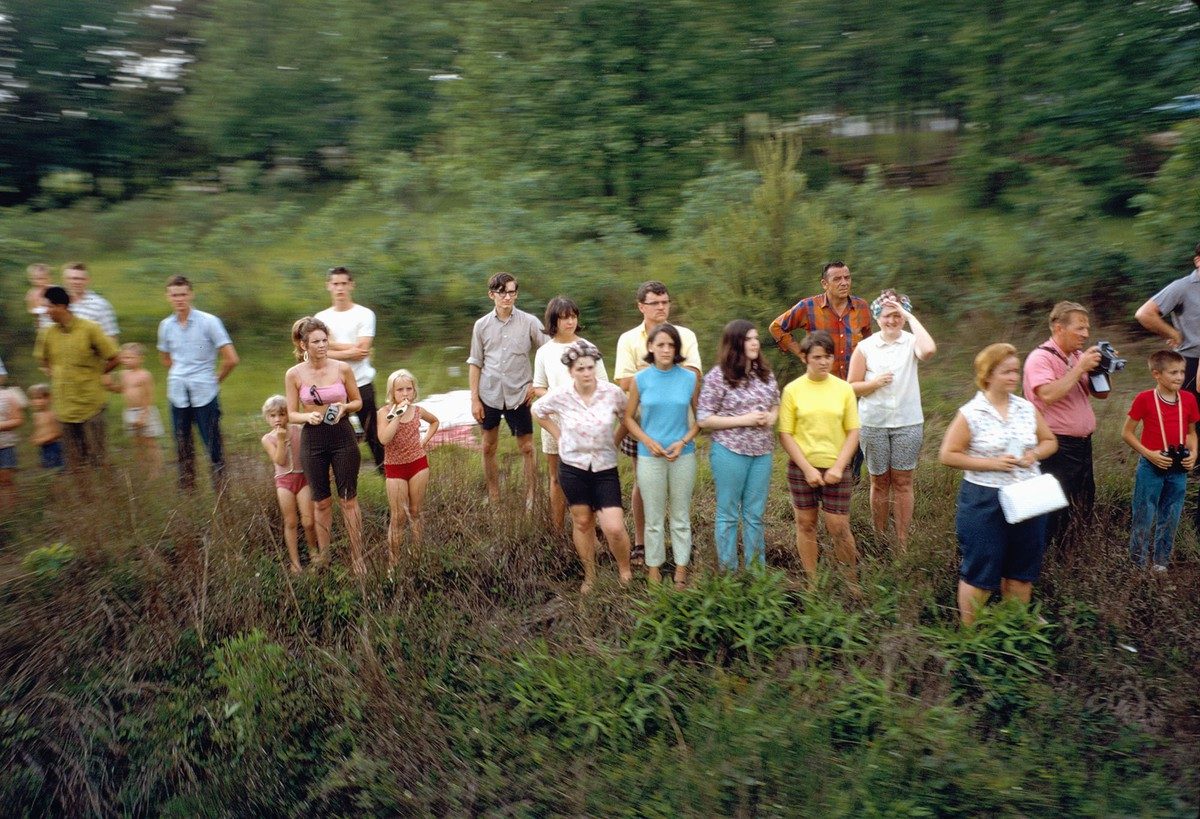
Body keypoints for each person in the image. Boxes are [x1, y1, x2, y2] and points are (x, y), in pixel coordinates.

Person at [939, 343, 1058, 626]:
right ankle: (973, 636)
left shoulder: (1026, 408)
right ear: (988, 374)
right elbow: (947, 455)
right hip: (984, 499)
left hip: (1028, 495)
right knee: (981, 569)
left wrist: (1034, 455)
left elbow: (1050, 441)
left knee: (1021, 568)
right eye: (1006, 371)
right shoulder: (971, 413)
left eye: (1016, 371)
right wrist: (993, 464)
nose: (1013, 376)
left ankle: (1014, 626)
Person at [532, 341, 634, 592]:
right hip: (573, 467)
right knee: (582, 522)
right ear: (571, 371)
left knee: (614, 526)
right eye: (581, 369)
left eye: (590, 367)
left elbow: (627, 418)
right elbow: (538, 410)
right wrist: (559, 435)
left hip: (604, 468)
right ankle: (590, 575)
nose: (587, 373)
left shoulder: (612, 393)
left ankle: (625, 570)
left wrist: (615, 440)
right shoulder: (561, 394)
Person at [613, 281, 702, 566]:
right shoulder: (628, 339)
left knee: (678, 489)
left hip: (679, 420)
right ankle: (642, 543)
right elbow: (624, 381)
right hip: (640, 419)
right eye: (655, 303)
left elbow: (692, 373)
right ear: (641, 306)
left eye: (665, 302)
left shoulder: (685, 334)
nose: (662, 307)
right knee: (643, 481)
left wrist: (650, 372)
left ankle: (679, 550)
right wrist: (659, 371)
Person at [847, 291, 937, 550]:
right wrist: (874, 383)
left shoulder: (911, 342)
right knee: (879, 481)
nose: (892, 320)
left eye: (897, 315)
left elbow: (929, 350)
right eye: (887, 315)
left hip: (908, 423)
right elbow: (851, 387)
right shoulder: (865, 347)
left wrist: (909, 315)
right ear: (877, 318)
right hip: (873, 422)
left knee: (903, 481)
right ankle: (879, 536)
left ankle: (902, 540)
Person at [770, 261, 872, 480]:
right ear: (824, 283)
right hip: (823, 385)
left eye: (847, 277)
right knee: (828, 434)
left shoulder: (861, 307)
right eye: (837, 279)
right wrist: (801, 353)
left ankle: (849, 478)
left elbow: (869, 341)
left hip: (855, 383)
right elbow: (777, 327)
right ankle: (820, 474)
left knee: (858, 432)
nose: (844, 283)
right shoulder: (809, 307)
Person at [777, 331, 861, 583]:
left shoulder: (844, 389)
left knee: (838, 527)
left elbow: (853, 431)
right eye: (817, 357)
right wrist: (807, 469)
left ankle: (851, 581)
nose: (824, 362)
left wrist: (838, 466)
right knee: (805, 523)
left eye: (828, 356)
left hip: (837, 466)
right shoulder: (793, 390)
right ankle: (813, 582)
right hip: (803, 467)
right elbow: (786, 434)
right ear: (804, 358)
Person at [1022, 301, 1109, 546]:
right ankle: (1045, 561)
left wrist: (1101, 370)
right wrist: (1079, 368)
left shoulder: (1078, 357)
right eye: (1080, 328)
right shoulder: (1040, 358)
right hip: (1055, 447)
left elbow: (1102, 395)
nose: (1086, 334)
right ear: (1059, 328)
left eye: (1087, 328)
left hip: (1082, 446)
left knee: (1082, 502)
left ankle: (1071, 558)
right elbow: (1047, 394)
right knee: (1054, 507)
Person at [696, 320, 779, 571]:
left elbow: (776, 401)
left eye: (756, 338)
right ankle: (729, 573)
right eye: (748, 339)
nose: (755, 343)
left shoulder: (764, 373)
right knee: (728, 513)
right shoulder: (718, 376)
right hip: (730, 451)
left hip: (762, 451)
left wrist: (772, 417)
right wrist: (746, 420)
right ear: (735, 343)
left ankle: (757, 572)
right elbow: (703, 418)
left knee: (755, 515)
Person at [286, 316, 365, 575]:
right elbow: (290, 414)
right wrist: (307, 416)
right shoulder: (294, 374)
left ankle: (358, 558)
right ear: (304, 345)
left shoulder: (342, 368)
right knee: (321, 502)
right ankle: (325, 558)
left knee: (348, 500)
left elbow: (358, 402)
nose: (322, 346)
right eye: (316, 342)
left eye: (324, 340)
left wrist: (344, 407)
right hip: (313, 438)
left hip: (342, 435)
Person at [624, 323, 700, 588]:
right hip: (649, 456)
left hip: (683, 455)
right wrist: (646, 440)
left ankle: (681, 567)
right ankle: (654, 567)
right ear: (651, 348)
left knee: (680, 515)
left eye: (671, 345)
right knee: (654, 516)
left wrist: (683, 442)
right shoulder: (640, 379)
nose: (666, 349)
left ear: (677, 348)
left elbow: (699, 420)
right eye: (661, 345)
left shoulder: (689, 378)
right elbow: (628, 418)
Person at [467, 272, 547, 508]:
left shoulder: (530, 322)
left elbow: (548, 351)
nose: (507, 297)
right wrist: (474, 400)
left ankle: (531, 495)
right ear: (492, 294)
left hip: (520, 393)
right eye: (502, 293)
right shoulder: (481, 325)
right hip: (489, 393)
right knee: (488, 446)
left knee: (528, 447)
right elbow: (475, 362)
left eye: (512, 292)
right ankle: (494, 494)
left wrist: (537, 383)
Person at [532, 296, 610, 534]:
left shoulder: (587, 347)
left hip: (585, 419)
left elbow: (604, 383)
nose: (570, 322)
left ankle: (590, 530)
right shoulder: (544, 351)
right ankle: (557, 531)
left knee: (588, 474)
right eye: (564, 317)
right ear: (554, 320)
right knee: (556, 477)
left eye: (573, 316)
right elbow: (538, 386)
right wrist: (556, 401)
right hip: (554, 418)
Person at [157, 275, 239, 492]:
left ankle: (222, 493)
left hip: (204, 392)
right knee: (182, 447)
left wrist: (215, 379)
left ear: (191, 294)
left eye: (183, 294)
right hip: (178, 394)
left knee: (213, 447)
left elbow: (231, 358)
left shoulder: (209, 322)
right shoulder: (166, 326)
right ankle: (188, 493)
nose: (179, 299)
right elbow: (165, 357)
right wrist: (180, 372)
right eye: (174, 295)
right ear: (168, 297)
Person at [1121, 350, 1199, 573]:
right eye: (1173, 372)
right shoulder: (1144, 399)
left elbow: (1192, 433)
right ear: (1156, 374)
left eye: (1182, 372)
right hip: (1152, 466)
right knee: (1144, 515)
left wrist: (1193, 454)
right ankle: (1137, 566)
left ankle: (1160, 563)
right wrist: (1149, 453)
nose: (1179, 377)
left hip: (1178, 467)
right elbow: (1126, 433)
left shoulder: (1189, 399)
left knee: (1171, 516)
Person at [33, 286, 119, 470]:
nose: (46, 311)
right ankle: (84, 498)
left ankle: (107, 496)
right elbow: (42, 359)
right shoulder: (47, 333)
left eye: (48, 307)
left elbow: (114, 357)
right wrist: (54, 373)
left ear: (61, 306)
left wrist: (97, 374)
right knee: (74, 464)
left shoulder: (90, 329)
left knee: (99, 460)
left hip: (91, 407)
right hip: (64, 409)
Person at [315, 266, 385, 472]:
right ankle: (340, 479)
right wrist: (349, 349)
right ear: (328, 286)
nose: (340, 288)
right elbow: (316, 353)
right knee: (331, 433)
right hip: (331, 388)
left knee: (373, 434)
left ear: (351, 285)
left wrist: (330, 347)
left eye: (344, 283)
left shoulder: (364, 314)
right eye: (335, 284)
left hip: (361, 384)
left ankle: (387, 476)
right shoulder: (321, 318)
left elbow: (362, 351)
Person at [377, 368, 440, 573]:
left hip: (417, 465)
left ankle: (417, 558)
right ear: (392, 392)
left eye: (408, 389)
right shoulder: (384, 413)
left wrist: (424, 441)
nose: (405, 394)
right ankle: (393, 565)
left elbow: (435, 422)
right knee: (398, 517)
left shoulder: (418, 411)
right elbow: (384, 439)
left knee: (415, 512)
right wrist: (397, 414)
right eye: (400, 390)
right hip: (395, 468)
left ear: (414, 391)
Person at [261, 394, 316, 575]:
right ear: (267, 418)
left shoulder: (299, 430)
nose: (278, 419)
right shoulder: (268, 439)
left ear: (288, 415)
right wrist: (281, 440)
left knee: (308, 521)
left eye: (282, 414)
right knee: (290, 521)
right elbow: (280, 459)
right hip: (284, 481)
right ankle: (295, 562)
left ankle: (313, 552)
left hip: (303, 478)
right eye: (273, 416)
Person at [111, 342, 164, 477]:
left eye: (131, 357)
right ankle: (143, 467)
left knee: (150, 442)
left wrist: (144, 415)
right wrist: (110, 386)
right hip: (130, 412)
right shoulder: (123, 374)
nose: (127, 361)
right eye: (124, 357)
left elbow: (149, 396)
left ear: (141, 358)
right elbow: (121, 389)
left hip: (144, 411)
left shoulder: (144, 375)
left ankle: (156, 470)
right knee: (137, 441)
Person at [63, 262, 119, 340]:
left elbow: (111, 339)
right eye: (73, 278)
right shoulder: (57, 304)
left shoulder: (101, 305)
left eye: (81, 279)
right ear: (66, 280)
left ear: (88, 280)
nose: (77, 282)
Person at [0, 359, 25, 512]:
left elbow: (18, 419)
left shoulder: (10, 395)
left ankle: (10, 513)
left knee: (6, 479)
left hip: (5, 446)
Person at [27, 384, 64, 470]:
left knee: (56, 468)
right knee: (47, 467)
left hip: (54, 446)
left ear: (49, 398)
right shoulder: (36, 415)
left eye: (40, 398)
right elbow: (38, 429)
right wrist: (34, 436)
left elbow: (58, 433)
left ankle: (58, 481)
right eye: (34, 399)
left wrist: (42, 439)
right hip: (43, 447)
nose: (36, 401)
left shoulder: (52, 414)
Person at [25, 263, 51, 329]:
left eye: (42, 278)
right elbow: (30, 310)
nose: (39, 282)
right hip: (43, 325)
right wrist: (35, 311)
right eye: (36, 279)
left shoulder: (54, 291)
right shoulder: (31, 294)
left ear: (48, 278)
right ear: (31, 279)